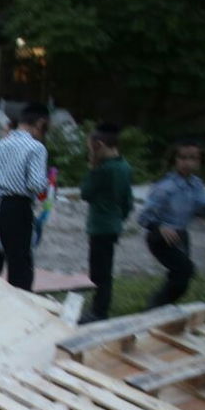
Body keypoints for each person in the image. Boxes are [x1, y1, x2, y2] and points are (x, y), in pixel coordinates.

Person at [136, 139, 205, 309]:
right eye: (182, 158)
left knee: (180, 276)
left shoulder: (196, 184)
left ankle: (163, 308)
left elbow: (199, 208)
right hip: (161, 238)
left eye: (193, 158)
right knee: (185, 271)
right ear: (175, 160)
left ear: (200, 161)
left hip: (181, 235)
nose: (187, 163)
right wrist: (160, 227)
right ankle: (154, 307)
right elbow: (144, 216)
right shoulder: (165, 187)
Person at [0, 102, 50, 291]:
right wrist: (48, 184)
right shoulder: (36, 147)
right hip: (17, 207)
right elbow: (35, 184)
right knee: (20, 265)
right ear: (41, 123)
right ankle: (20, 311)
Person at [79, 122, 134, 322]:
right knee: (105, 268)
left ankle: (98, 311)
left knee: (99, 272)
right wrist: (120, 218)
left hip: (99, 226)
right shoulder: (125, 167)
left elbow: (85, 193)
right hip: (113, 225)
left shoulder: (102, 170)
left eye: (91, 148)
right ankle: (99, 308)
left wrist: (92, 166)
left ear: (99, 145)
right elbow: (127, 200)